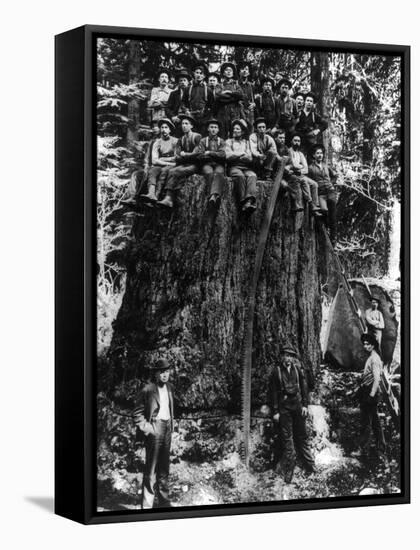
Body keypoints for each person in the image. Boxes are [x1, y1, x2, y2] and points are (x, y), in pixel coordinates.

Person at [269, 346, 315, 483]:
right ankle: (289, 472)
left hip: (297, 405)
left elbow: (304, 387)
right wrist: (276, 411)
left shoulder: (297, 369)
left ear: (293, 358)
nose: (288, 358)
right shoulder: (276, 372)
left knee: (303, 436)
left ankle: (311, 466)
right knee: (288, 440)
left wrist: (305, 405)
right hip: (284, 408)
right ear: (282, 356)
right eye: (286, 355)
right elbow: (273, 393)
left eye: (291, 356)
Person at [134, 358, 175, 509]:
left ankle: (164, 503)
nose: (165, 374)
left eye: (167, 371)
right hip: (155, 428)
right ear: (156, 374)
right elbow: (137, 414)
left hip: (167, 428)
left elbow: (170, 409)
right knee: (151, 468)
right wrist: (148, 429)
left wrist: (172, 427)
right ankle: (147, 505)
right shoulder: (148, 390)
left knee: (164, 468)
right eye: (162, 372)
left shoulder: (170, 388)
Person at [157, 114, 201, 209]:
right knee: (171, 171)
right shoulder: (181, 139)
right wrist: (184, 156)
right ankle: (167, 198)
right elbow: (177, 156)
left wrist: (185, 155)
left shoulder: (197, 137)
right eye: (182, 124)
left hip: (195, 165)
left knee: (177, 172)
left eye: (186, 123)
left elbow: (197, 153)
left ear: (191, 126)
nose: (184, 126)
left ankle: (170, 197)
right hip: (185, 163)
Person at [354, 333, 386, 459]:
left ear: (373, 345)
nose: (365, 346)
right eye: (365, 344)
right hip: (367, 390)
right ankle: (381, 446)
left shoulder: (375, 359)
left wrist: (371, 395)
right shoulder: (372, 357)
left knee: (366, 422)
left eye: (368, 344)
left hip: (370, 392)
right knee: (375, 421)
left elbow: (377, 379)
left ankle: (363, 450)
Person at [138, 118, 178, 205]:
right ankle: (151, 193)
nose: (164, 130)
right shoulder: (157, 142)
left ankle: (157, 195)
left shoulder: (175, 141)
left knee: (164, 171)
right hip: (162, 164)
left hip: (171, 165)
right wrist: (167, 160)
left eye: (166, 127)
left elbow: (176, 157)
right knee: (152, 170)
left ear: (170, 130)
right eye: (162, 127)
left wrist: (163, 159)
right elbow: (154, 160)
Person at [225, 118, 257, 214]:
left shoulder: (246, 143)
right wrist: (241, 154)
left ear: (243, 131)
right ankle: (242, 202)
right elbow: (228, 156)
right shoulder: (228, 142)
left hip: (246, 167)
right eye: (234, 129)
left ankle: (249, 201)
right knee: (240, 176)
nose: (235, 130)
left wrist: (236, 155)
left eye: (238, 129)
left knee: (252, 176)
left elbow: (249, 157)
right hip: (234, 167)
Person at [308, 144, 338, 242]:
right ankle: (325, 230)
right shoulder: (311, 168)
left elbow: (334, 176)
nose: (320, 155)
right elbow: (309, 180)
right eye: (317, 153)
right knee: (324, 211)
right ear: (314, 155)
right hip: (320, 193)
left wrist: (332, 184)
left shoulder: (326, 166)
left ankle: (333, 238)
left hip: (331, 192)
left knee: (333, 215)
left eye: (321, 153)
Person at [286, 134, 322, 215]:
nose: (297, 143)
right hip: (292, 175)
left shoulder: (300, 154)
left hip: (300, 174)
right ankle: (310, 203)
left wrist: (300, 169)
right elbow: (293, 164)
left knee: (314, 184)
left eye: (298, 141)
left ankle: (314, 206)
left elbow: (306, 169)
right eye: (295, 140)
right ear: (291, 141)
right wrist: (300, 166)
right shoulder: (289, 151)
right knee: (304, 181)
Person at [195, 118, 226, 208]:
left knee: (219, 173)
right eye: (211, 127)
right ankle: (214, 195)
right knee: (209, 173)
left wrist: (209, 153)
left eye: (215, 127)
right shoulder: (203, 141)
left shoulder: (222, 141)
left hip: (218, 164)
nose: (213, 129)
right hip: (207, 164)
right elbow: (200, 155)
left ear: (218, 130)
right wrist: (215, 155)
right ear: (208, 129)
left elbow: (223, 154)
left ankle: (212, 195)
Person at [216, 61, 244, 138]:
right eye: (226, 70)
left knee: (234, 132)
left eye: (230, 70)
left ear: (233, 73)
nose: (228, 72)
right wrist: (233, 98)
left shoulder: (236, 85)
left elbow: (240, 95)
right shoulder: (219, 85)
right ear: (223, 73)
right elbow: (218, 97)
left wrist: (228, 92)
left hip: (234, 112)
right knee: (222, 133)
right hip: (222, 113)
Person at [184, 63, 210, 135]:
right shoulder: (188, 88)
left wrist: (206, 115)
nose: (199, 75)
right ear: (194, 74)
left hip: (203, 118)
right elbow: (183, 102)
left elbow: (211, 105)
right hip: (191, 117)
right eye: (197, 73)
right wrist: (186, 110)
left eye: (201, 73)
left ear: (204, 76)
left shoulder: (208, 89)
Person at [166, 69, 191, 133]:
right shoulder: (174, 94)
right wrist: (173, 116)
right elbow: (168, 108)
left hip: (189, 120)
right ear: (178, 83)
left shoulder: (191, 93)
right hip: (176, 119)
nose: (183, 82)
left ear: (188, 82)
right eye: (181, 81)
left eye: (184, 80)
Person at [238, 61, 256, 131]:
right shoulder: (235, 84)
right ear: (239, 71)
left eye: (246, 69)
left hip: (249, 112)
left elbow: (254, 100)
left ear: (249, 72)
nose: (245, 71)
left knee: (250, 131)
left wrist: (254, 104)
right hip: (238, 112)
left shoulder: (251, 86)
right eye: (242, 69)